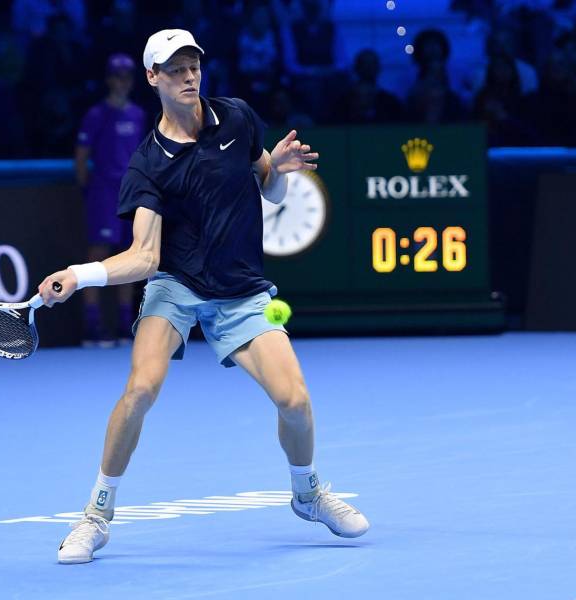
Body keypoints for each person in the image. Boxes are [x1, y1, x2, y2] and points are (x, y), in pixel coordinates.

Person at [39, 29, 369, 564]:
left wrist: (279, 173)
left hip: (240, 289)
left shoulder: (236, 117)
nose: (189, 76)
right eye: (174, 69)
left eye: (193, 65)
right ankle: (96, 516)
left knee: (295, 401)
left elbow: (266, 182)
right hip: (175, 287)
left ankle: (307, 495)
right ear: (153, 79)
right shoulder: (149, 162)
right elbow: (144, 257)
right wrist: (80, 274)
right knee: (141, 390)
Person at [75, 53, 146, 346]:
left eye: (127, 76)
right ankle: (91, 325)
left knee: (129, 255)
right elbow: (81, 157)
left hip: (130, 193)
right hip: (103, 192)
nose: (122, 82)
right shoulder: (95, 115)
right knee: (98, 253)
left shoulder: (139, 115)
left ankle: (123, 323)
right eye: (117, 76)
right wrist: (88, 190)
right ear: (108, 79)